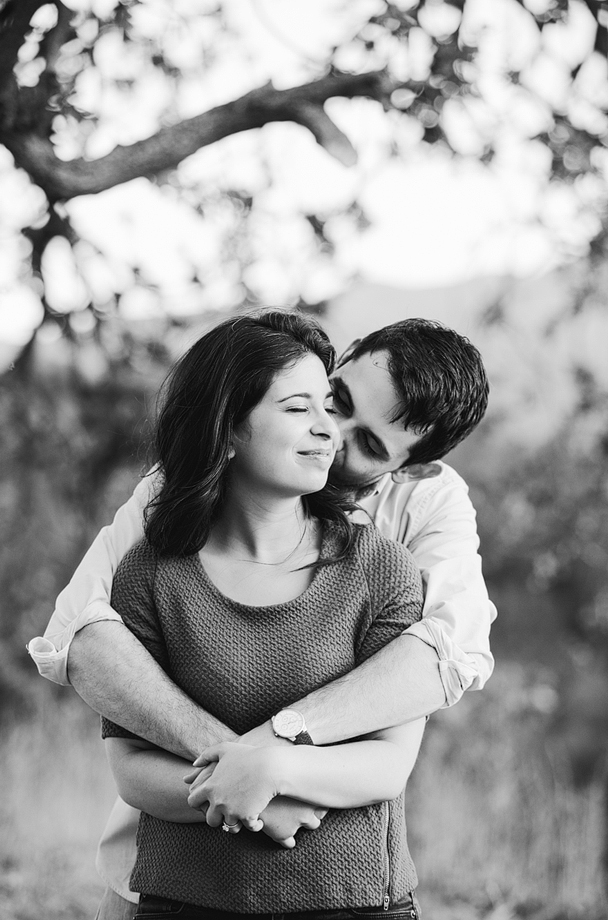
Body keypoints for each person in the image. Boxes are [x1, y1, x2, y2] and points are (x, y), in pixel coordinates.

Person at [31, 317, 491, 920]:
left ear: (409, 469)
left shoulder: (420, 519)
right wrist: (244, 777)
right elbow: (81, 633)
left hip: (340, 887)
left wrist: (275, 753)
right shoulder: (178, 497)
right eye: (335, 398)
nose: (332, 431)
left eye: (371, 444)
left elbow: (445, 653)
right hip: (172, 869)